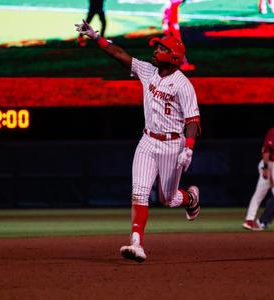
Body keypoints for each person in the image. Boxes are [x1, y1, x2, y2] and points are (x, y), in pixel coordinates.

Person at [75, 20, 201, 263]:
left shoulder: (184, 86)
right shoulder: (147, 71)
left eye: (161, 48)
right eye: (157, 47)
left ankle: (191, 198)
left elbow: (193, 119)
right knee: (139, 193)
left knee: (169, 199)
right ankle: (136, 242)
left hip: (172, 145)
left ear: (174, 58)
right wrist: (96, 37)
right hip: (147, 141)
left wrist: (189, 148)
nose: (155, 50)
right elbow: (119, 54)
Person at [161, 0, 195, 71]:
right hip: (172, 27)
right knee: (177, 46)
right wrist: (166, 27)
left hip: (171, 27)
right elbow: (166, 16)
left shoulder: (171, 3)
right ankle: (183, 64)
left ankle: (178, 64)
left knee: (172, 47)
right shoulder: (171, 4)